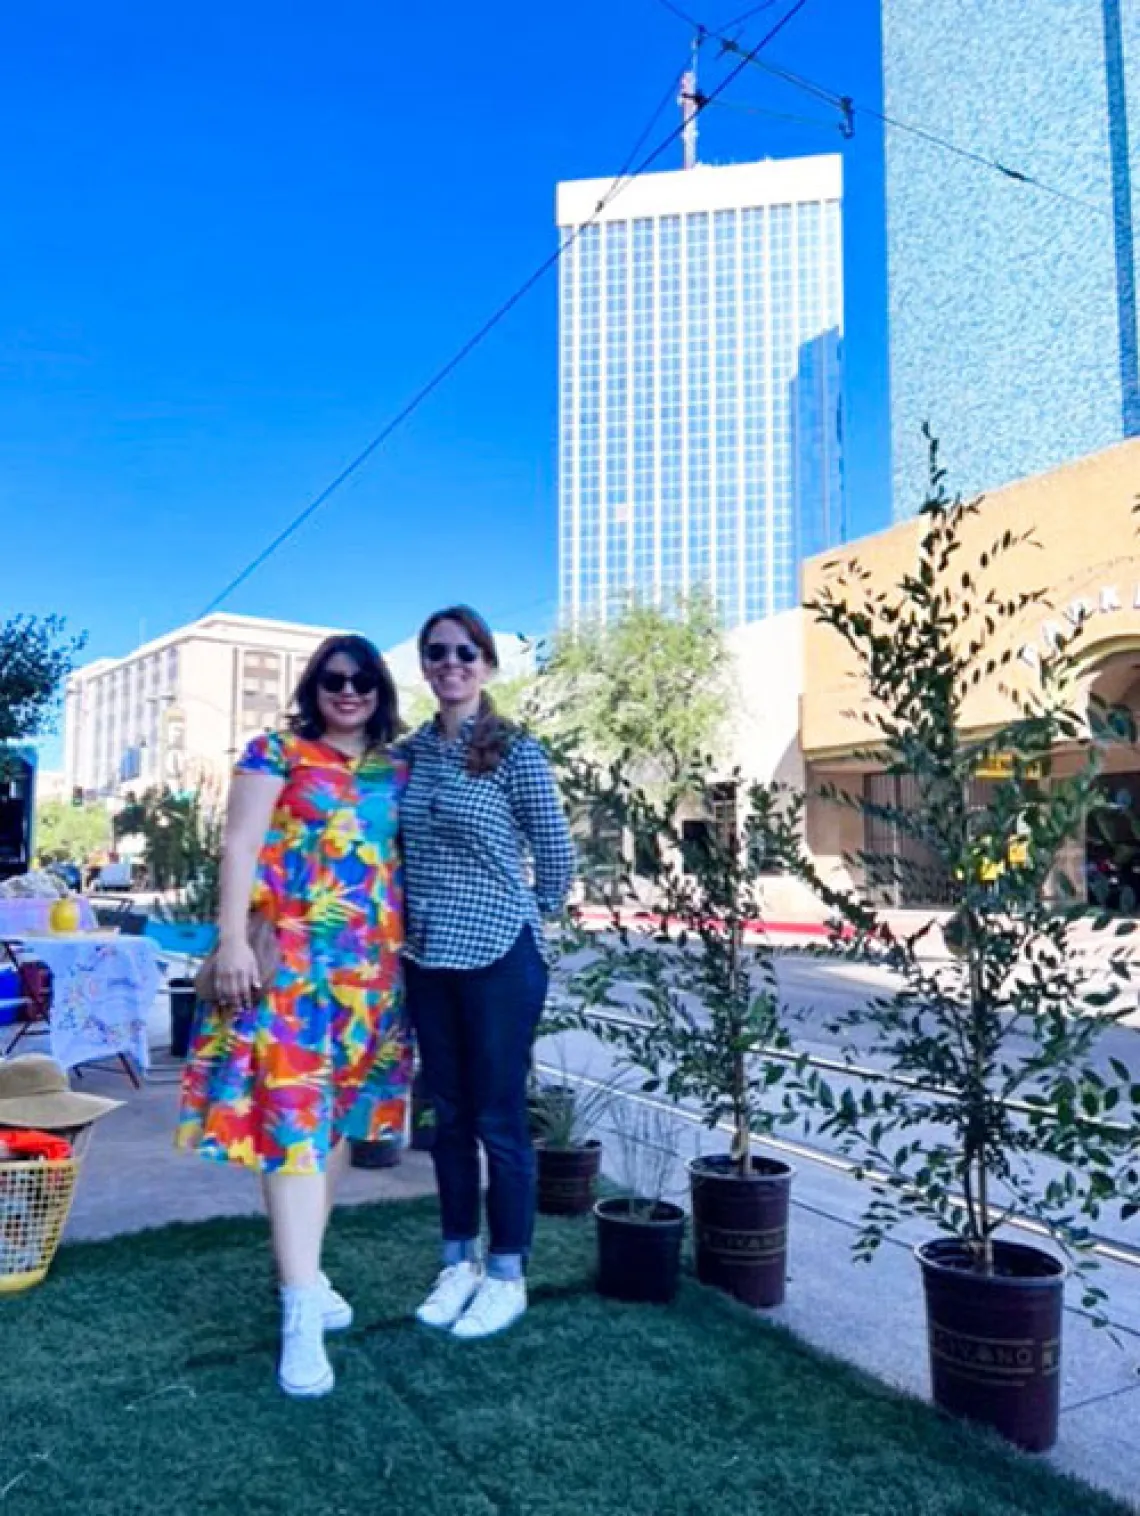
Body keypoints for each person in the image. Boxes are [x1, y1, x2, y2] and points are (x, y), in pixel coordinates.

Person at [176, 634, 410, 1399]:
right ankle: (300, 1306)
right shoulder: (275, 751)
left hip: (370, 973)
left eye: (364, 681)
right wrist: (233, 940)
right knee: (293, 1126)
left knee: (335, 1123)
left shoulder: (394, 766)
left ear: (380, 691)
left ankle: (305, 1266)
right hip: (291, 968)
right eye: (334, 680)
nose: (349, 691)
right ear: (314, 687)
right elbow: (239, 845)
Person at [401, 605, 574, 1341]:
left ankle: (507, 1273)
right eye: (438, 652)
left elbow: (557, 853)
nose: (452, 663)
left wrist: (530, 920)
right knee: (448, 1119)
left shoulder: (513, 750)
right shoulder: (409, 754)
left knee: (500, 1120)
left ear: (487, 664)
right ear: (425, 664)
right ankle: (457, 1265)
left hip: (501, 954)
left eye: (466, 652)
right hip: (428, 957)